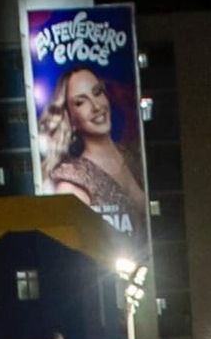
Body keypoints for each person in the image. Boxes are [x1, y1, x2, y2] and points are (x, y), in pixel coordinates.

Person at [39, 67, 146, 244]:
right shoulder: (71, 180)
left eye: (98, 92)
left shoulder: (135, 155)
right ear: (70, 119)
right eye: (81, 102)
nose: (96, 106)